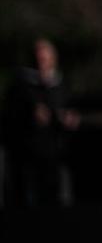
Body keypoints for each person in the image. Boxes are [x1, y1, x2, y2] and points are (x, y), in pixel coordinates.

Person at [1, 38, 79, 206]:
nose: (42, 63)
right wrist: (30, 115)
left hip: (56, 153)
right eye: (39, 59)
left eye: (45, 59)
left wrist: (68, 118)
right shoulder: (21, 86)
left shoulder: (61, 85)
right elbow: (9, 116)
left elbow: (70, 108)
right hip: (28, 153)